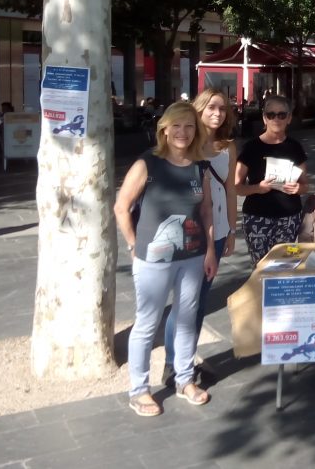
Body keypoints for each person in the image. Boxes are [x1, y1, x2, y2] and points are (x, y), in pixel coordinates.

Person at [113, 102, 217, 417]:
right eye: (177, 126)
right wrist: (133, 244)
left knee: (186, 319)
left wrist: (210, 250)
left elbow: (206, 211)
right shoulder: (147, 163)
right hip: (154, 259)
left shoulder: (200, 167)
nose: (183, 132)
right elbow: (121, 207)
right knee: (147, 323)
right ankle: (139, 390)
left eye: (189, 126)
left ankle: (184, 379)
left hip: (193, 256)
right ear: (164, 129)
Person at [163, 88, 238, 385]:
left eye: (222, 108)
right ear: (199, 109)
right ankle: (172, 364)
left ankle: (186, 358)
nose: (217, 113)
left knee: (200, 298)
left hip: (217, 232)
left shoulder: (228, 147)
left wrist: (231, 229)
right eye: (211, 107)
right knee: (184, 301)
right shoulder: (184, 144)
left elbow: (230, 190)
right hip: (188, 233)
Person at [235, 95, 308, 267]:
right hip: (257, 217)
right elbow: (236, 187)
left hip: (289, 217)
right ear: (264, 118)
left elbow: (305, 185)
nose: (276, 119)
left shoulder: (294, 147)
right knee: (261, 267)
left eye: (282, 115)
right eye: (271, 114)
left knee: (286, 265)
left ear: (289, 118)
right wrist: (257, 188)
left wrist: (297, 188)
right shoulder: (251, 147)